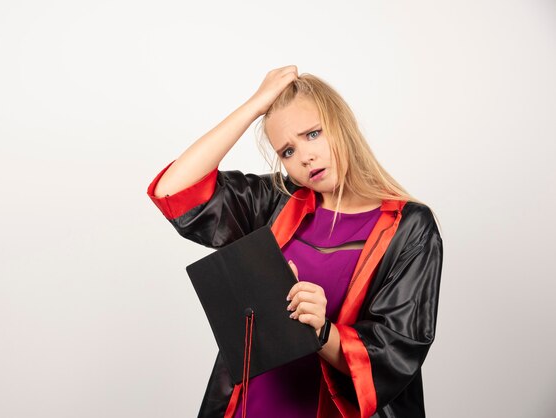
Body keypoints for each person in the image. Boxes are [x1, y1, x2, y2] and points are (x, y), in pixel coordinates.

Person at [147, 65, 443, 418]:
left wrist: (321, 331)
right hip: (250, 406)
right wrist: (255, 105)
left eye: (313, 134)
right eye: (287, 151)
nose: (304, 157)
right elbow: (173, 190)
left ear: (341, 126)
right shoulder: (277, 201)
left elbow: (396, 351)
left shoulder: (409, 226)